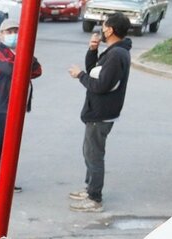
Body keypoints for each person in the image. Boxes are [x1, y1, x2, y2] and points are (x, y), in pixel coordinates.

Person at [67, 13, 132, 213]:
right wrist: (92, 50)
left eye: (104, 26)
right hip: (98, 112)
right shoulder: (113, 51)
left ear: (111, 30)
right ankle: (90, 189)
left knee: (94, 155)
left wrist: (80, 76)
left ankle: (95, 198)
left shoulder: (116, 55)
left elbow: (101, 85)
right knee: (89, 152)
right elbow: (95, 71)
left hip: (101, 113)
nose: (101, 30)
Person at [0, 19, 42, 199]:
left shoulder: (22, 51)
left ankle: (3, 181)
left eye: (15, 31)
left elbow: (37, 70)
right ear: (1, 34)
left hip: (17, 108)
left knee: (9, 148)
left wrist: (24, 58)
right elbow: (12, 68)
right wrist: (25, 59)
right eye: (9, 31)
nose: (13, 34)